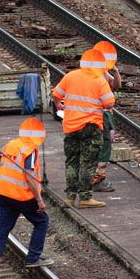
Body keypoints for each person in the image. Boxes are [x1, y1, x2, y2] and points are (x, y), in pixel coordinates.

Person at [0, 118, 53, 279]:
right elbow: (29, 176)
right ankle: (33, 257)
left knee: (1, 232)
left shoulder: (11, 145)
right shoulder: (30, 150)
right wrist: (39, 200)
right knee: (42, 221)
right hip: (22, 196)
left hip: (3, 193)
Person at [52, 48, 116, 209]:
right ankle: (86, 197)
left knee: (72, 161)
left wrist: (59, 104)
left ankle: (70, 197)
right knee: (88, 163)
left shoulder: (71, 76)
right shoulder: (99, 80)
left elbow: (56, 94)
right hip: (91, 127)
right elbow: (109, 103)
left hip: (71, 126)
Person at [90, 41, 122, 193]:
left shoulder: (103, 72)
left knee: (101, 147)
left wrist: (115, 72)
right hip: (100, 115)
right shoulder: (95, 74)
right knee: (103, 148)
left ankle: (94, 178)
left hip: (105, 115)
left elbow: (116, 85)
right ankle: (97, 180)